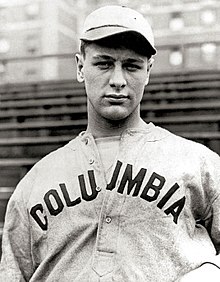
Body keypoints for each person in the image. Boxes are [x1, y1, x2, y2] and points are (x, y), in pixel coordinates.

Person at [0, 5, 220, 282]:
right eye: (103, 63)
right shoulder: (35, 181)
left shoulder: (198, 162)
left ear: (148, 72)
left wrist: (210, 273)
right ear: (80, 67)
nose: (118, 81)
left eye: (132, 66)